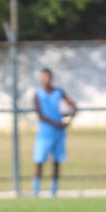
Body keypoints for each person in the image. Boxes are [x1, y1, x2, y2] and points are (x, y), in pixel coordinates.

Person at [32, 67, 77, 197]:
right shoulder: (38, 93)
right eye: (45, 76)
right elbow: (40, 114)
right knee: (40, 161)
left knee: (57, 161)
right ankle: (36, 191)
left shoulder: (59, 91)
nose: (47, 79)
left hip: (59, 133)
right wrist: (57, 124)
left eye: (49, 77)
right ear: (41, 78)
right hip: (45, 133)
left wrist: (70, 116)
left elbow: (72, 105)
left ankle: (54, 191)